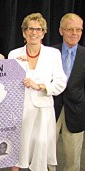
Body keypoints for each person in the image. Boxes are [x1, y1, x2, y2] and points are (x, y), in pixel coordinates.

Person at [8, 13, 67, 171]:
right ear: (23, 32)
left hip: (43, 112)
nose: (34, 32)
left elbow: (61, 83)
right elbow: (8, 87)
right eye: (30, 29)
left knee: (40, 153)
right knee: (18, 153)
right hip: (20, 112)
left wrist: (40, 86)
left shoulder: (53, 54)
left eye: (38, 29)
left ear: (43, 32)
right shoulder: (14, 55)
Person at [52, 13, 85, 171]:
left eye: (79, 29)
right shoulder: (50, 53)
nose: (75, 33)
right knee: (45, 154)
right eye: (70, 29)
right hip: (50, 109)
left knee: (73, 160)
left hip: (77, 111)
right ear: (61, 31)